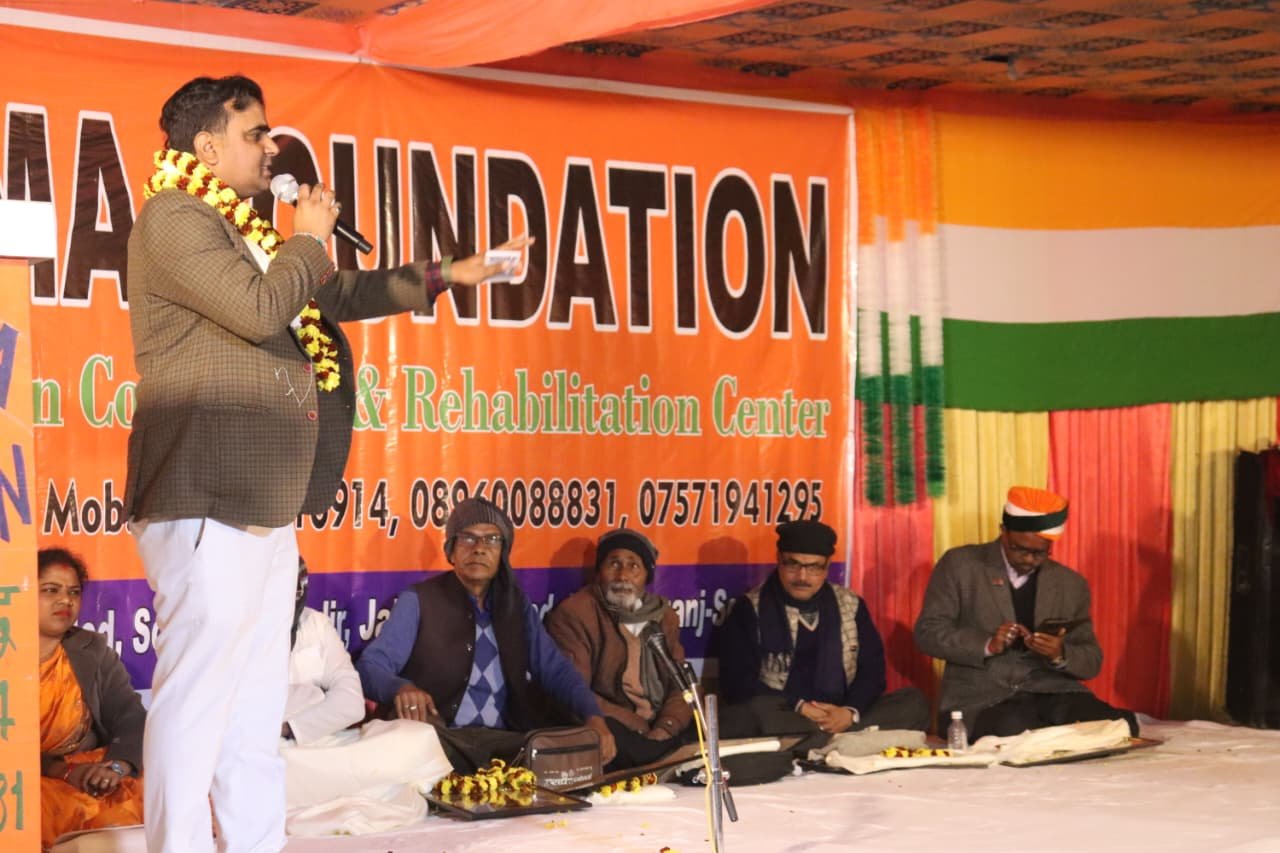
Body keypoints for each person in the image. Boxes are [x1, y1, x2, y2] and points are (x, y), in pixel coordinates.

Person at [124, 74, 529, 852]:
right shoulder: (173, 217)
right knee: (197, 702)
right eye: (255, 133)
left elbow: (331, 293)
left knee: (251, 711)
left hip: (264, 501)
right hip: (206, 493)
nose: (272, 146)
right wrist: (307, 236)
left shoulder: (242, 229)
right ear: (205, 147)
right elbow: (259, 308)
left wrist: (455, 272)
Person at [356, 497, 617, 771]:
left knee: (588, 747)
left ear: (502, 552)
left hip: (505, 744)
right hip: (442, 740)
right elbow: (370, 666)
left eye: (491, 540)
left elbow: (556, 670)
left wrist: (593, 716)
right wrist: (401, 688)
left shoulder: (516, 606)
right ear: (451, 551)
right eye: (468, 538)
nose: (479, 548)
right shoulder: (419, 600)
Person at [914, 486, 1138, 739]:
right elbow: (927, 633)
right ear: (1003, 531)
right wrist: (987, 644)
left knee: (1121, 726)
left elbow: (1091, 660)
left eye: (1039, 553)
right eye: (1020, 549)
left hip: (1052, 692)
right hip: (983, 698)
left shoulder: (1070, 584)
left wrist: (1059, 654)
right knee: (1016, 732)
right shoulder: (961, 565)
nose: (1029, 559)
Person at [719, 520, 930, 747]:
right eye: (793, 565)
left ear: (827, 566)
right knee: (746, 715)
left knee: (913, 703)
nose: (802, 576)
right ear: (779, 560)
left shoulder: (850, 604)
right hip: (787, 712)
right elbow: (738, 683)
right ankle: (836, 740)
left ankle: (817, 739)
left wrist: (849, 712)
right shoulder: (750, 608)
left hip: (839, 714)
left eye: (813, 567)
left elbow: (872, 671)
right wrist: (800, 706)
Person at [281, 558, 451, 834]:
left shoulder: (315, 623)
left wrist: (292, 727)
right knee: (267, 767)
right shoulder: (240, 628)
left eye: (296, 587)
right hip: (271, 749)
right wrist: (306, 704)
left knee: (416, 736)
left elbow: (351, 702)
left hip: (326, 739)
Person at [545, 528, 691, 769]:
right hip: (615, 726)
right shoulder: (575, 614)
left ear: (646, 576)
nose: (622, 576)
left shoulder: (664, 617)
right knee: (611, 737)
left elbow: (682, 687)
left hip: (659, 726)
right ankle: (666, 757)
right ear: (599, 571)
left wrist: (666, 726)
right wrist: (639, 726)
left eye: (633, 566)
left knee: (716, 727)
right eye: (614, 564)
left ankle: (665, 753)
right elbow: (573, 691)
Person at [37, 548, 145, 850]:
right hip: (31, 778)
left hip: (91, 770)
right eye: (51, 590)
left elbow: (130, 715)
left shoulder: (91, 649)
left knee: (173, 787)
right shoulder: (7, 656)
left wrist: (117, 766)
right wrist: (64, 772)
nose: (65, 600)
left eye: (73, 592)